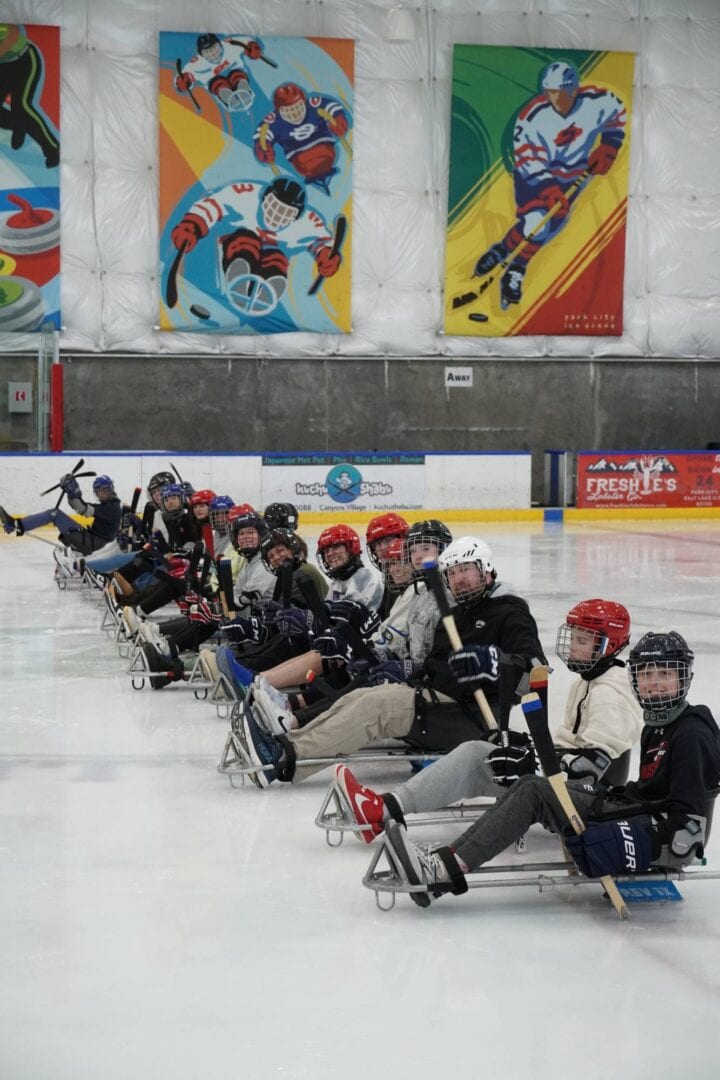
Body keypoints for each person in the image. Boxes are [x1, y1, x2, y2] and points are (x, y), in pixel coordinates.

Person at [383, 631, 720, 907]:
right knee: (530, 785)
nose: (654, 684)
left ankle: (442, 870)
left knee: (533, 791)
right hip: (632, 809)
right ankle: (448, 860)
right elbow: (652, 791)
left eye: (665, 674)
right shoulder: (657, 725)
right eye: (646, 675)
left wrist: (629, 841)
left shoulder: (691, 734)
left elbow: (687, 823)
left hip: (655, 834)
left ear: (683, 678)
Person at [235, 535, 546, 787]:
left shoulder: (509, 611)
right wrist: (409, 670)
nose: (459, 579)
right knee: (363, 694)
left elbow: (534, 672)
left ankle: (285, 759)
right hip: (437, 697)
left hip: (474, 718)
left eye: (466, 569)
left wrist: (493, 663)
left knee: (375, 709)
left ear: (487, 570)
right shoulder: (454, 615)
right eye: (452, 573)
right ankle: (290, 740)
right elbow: (436, 667)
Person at [336, 598, 643, 842]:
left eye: (583, 640)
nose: (573, 645)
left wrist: (533, 764)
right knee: (485, 749)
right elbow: (573, 749)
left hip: (582, 796)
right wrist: (527, 749)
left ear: (609, 644)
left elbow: (591, 768)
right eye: (573, 636)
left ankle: (381, 810)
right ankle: (384, 808)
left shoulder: (611, 692)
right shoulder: (590, 681)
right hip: (563, 776)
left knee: (475, 757)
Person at [473, 60, 626, 307]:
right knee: (536, 225)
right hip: (533, 178)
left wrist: (610, 145)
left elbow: (617, 113)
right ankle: (516, 269)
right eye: (550, 92)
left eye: (560, 92)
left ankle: (502, 249)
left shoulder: (597, 102)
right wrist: (548, 189)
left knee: (546, 228)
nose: (554, 98)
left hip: (573, 178)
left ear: (573, 89)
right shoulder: (532, 118)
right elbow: (528, 157)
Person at [2, 473, 121, 557]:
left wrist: (75, 491)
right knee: (54, 514)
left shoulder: (112, 508)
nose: (102, 494)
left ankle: (16, 525)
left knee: (54, 515)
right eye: (99, 491)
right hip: (94, 541)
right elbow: (80, 508)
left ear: (111, 489)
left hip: (97, 545)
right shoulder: (109, 506)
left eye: (105, 490)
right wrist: (71, 492)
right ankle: (17, 524)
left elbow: (84, 509)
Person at [0, 23, 59, 167]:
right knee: (19, 115)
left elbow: (13, 33)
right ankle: (18, 124)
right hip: (3, 65)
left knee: (22, 106)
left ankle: (52, 149)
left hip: (24, 59)